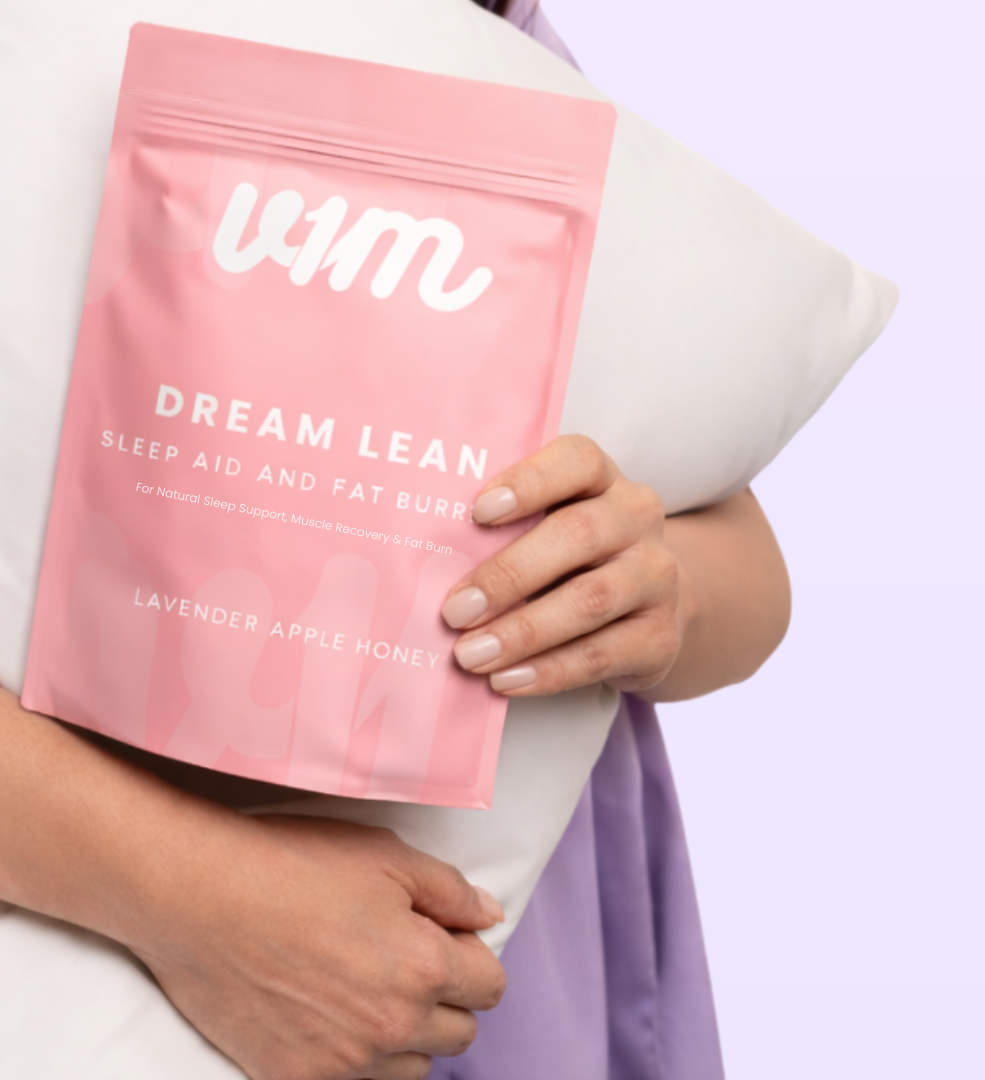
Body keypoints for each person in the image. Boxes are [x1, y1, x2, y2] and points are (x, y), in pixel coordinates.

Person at [0, 3, 791, 1078]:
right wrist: (195, 902)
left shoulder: (493, 31)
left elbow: (738, 552)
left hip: (515, 920)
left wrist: (654, 591)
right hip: (109, 916)